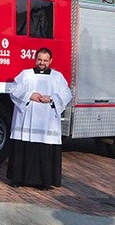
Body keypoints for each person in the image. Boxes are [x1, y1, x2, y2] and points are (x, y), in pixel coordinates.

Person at [7, 47, 72, 189]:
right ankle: (18, 179)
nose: (42, 63)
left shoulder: (57, 77)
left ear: (50, 61)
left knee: (44, 149)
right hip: (26, 122)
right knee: (23, 149)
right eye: (39, 59)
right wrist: (30, 95)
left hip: (46, 123)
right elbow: (12, 90)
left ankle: (44, 181)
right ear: (35, 59)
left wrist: (52, 98)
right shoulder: (26, 75)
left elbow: (67, 94)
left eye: (45, 60)